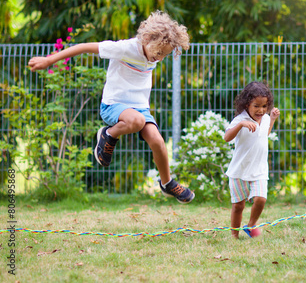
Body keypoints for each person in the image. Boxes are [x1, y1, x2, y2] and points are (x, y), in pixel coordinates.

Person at [28, 11, 195, 204]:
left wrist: (158, 53)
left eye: (164, 55)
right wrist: (49, 60)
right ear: (147, 39)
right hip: (113, 105)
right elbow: (84, 47)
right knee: (137, 121)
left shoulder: (154, 51)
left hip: (139, 108)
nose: (159, 58)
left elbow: (157, 54)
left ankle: (166, 183)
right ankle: (108, 134)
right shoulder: (125, 48)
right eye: (158, 53)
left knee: (157, 141)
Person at [224, 81, 280, 239]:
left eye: (264, 106)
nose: (261, 110)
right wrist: (241, 125)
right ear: (247, 104)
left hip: (259, 169)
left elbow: (264, 134)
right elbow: (227, 137)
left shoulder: (266, 118)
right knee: (238, 206)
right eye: (256, 106)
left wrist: (273, 119)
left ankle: (251, 226)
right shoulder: (240, 119)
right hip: (239, 171)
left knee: (261, 199)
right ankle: (234, 236)